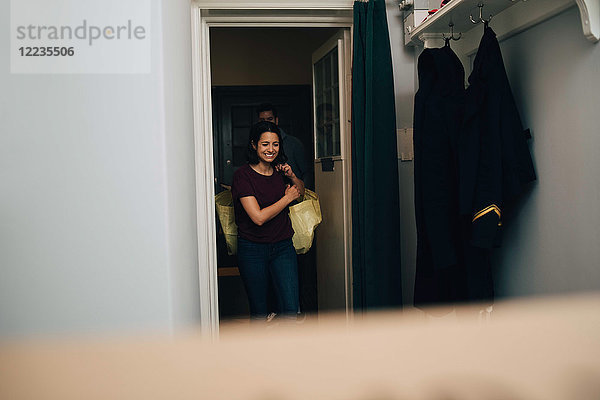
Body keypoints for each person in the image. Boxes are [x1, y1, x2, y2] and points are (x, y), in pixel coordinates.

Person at [231, 121, 305, 322]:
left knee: (291, 311)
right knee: (260, 312)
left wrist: (292, 175)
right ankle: (260, 353)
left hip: (283, 247)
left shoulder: (281, 172)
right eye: (265, 144)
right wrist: (287, 198)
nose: (271, 149)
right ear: (254, 145)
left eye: (275, 144)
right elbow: (258, 217)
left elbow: (301, 191)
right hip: (252, 249)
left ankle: (287, 352)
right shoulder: (242, 176)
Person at [256, 103, 313, 190]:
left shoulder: (294, 143)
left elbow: (307, 172)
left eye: (269, 119)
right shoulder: (255, 144)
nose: (271, 150)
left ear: (276, 120)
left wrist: (305, 192)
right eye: (262, 120)